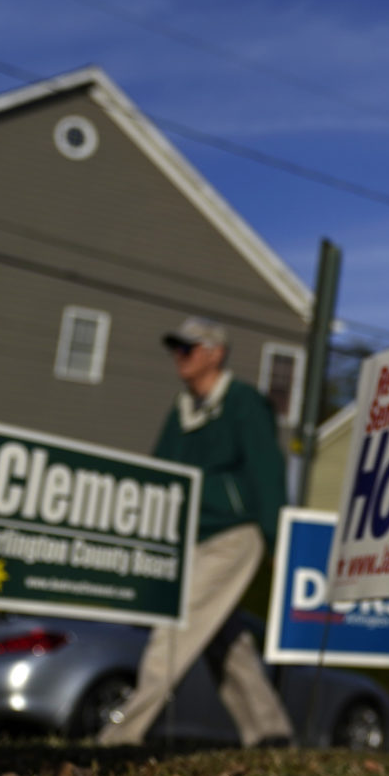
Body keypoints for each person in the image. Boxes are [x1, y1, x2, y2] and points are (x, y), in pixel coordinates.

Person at [98, 316, 294, 747]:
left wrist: (278, 540)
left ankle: (120, 737)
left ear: (216, 353)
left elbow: (267, 473)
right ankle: (271, 735)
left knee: (176, 627)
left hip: (234, 536)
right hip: (191, 540)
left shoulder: (243, 402)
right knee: (227, 644)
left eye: (188, 348)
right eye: (176, 349)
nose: (179, 358)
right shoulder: (182, 408)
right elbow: (160, 473)